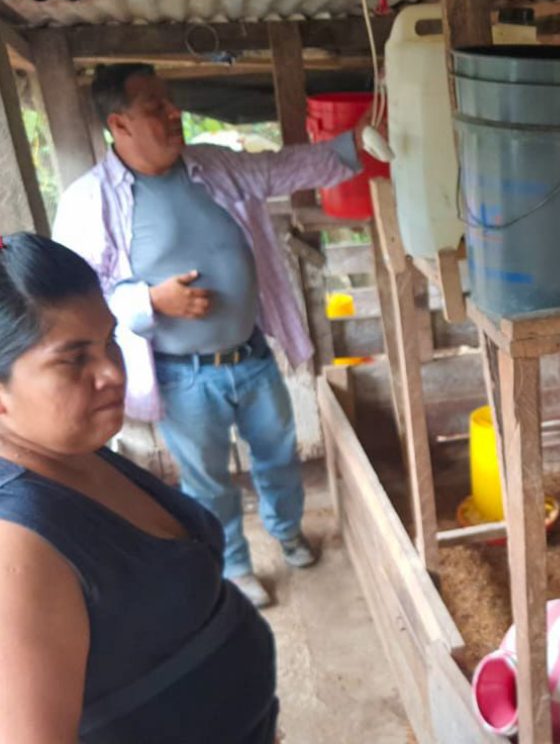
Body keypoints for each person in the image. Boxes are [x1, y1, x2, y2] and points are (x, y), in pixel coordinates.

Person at [54, 63, 366, 607]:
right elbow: (76, 299)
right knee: (208, 482)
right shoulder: (90, 202)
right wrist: (150, 301)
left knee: (278, 455)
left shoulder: (211, 166)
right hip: (182, 375)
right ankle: (236, 566)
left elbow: (277, 168)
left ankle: (288, 531)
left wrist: (352, 146)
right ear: (119, 124)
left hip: (252, 355)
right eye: (155, 107)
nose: (174, 112)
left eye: (170, 101)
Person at [0, 232, 278, 743]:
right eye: (73, 359)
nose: (112, 370)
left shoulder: (76, 453)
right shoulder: (17, 554)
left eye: (109, 340)